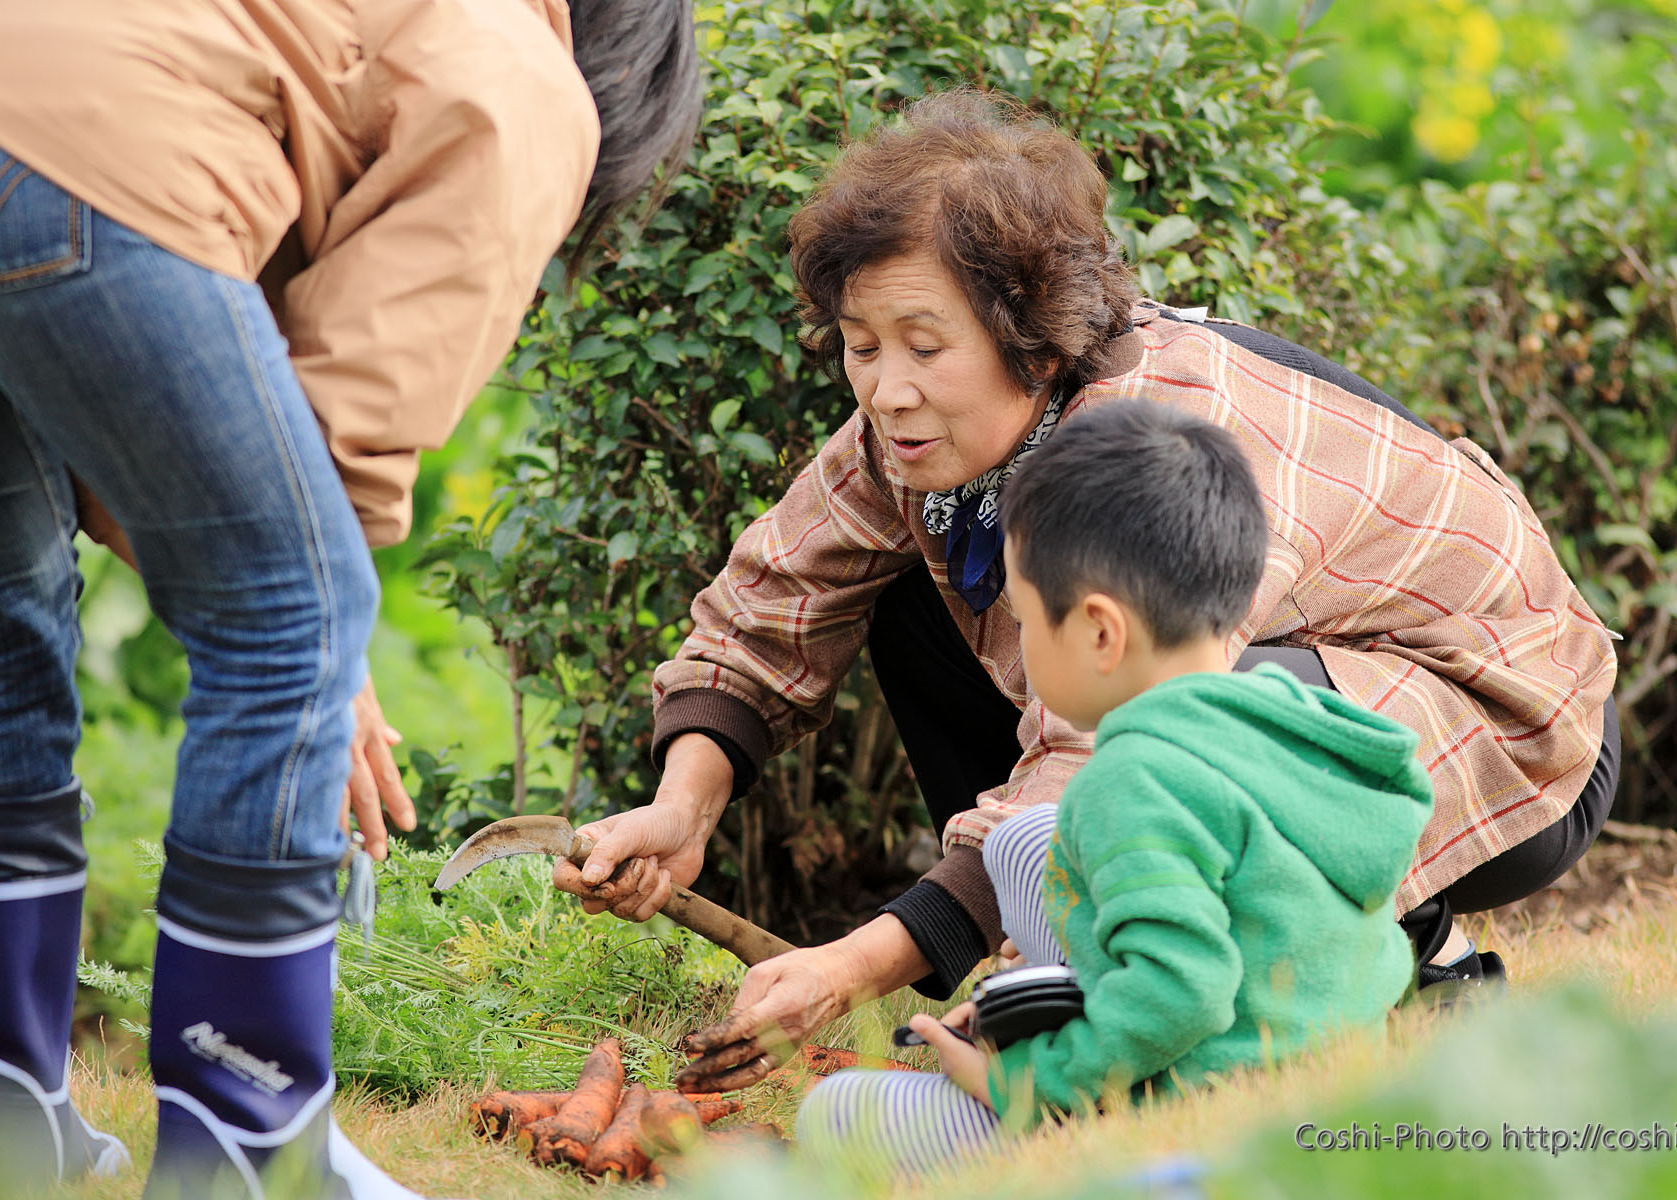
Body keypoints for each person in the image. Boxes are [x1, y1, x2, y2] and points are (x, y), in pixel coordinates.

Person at [556, 89, 1619, 1091]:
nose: (887, 386)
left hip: (1501, 724)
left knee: (1201, 705)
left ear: (1026, 330)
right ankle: (1072, 949)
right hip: (1287, 695)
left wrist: (863, 963)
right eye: (860, 345)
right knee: (914, 600)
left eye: (925, 345)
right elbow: (771, 600)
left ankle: (1397, 954)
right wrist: (681, 805)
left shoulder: (1149, 439)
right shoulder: (919, 431)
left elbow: (1111, 748)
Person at [0, 1, 699, 1196]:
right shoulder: (523, 69)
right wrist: (322, 638)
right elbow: (340, 424)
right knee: (291, 617)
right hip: (84, 162)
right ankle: (249, 1146)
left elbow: (164, 437)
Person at [793, 399, 1435, 1175]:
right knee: (1026, 840)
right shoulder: (1288, 715)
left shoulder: (1135, 781)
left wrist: (1025, 1082)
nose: (1021, 642)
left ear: (1099, 632)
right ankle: (1050, 1004)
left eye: (1025, 618)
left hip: (1204, 1120)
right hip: (1330, 1091)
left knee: (831, 1114)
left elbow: (1183, 991)